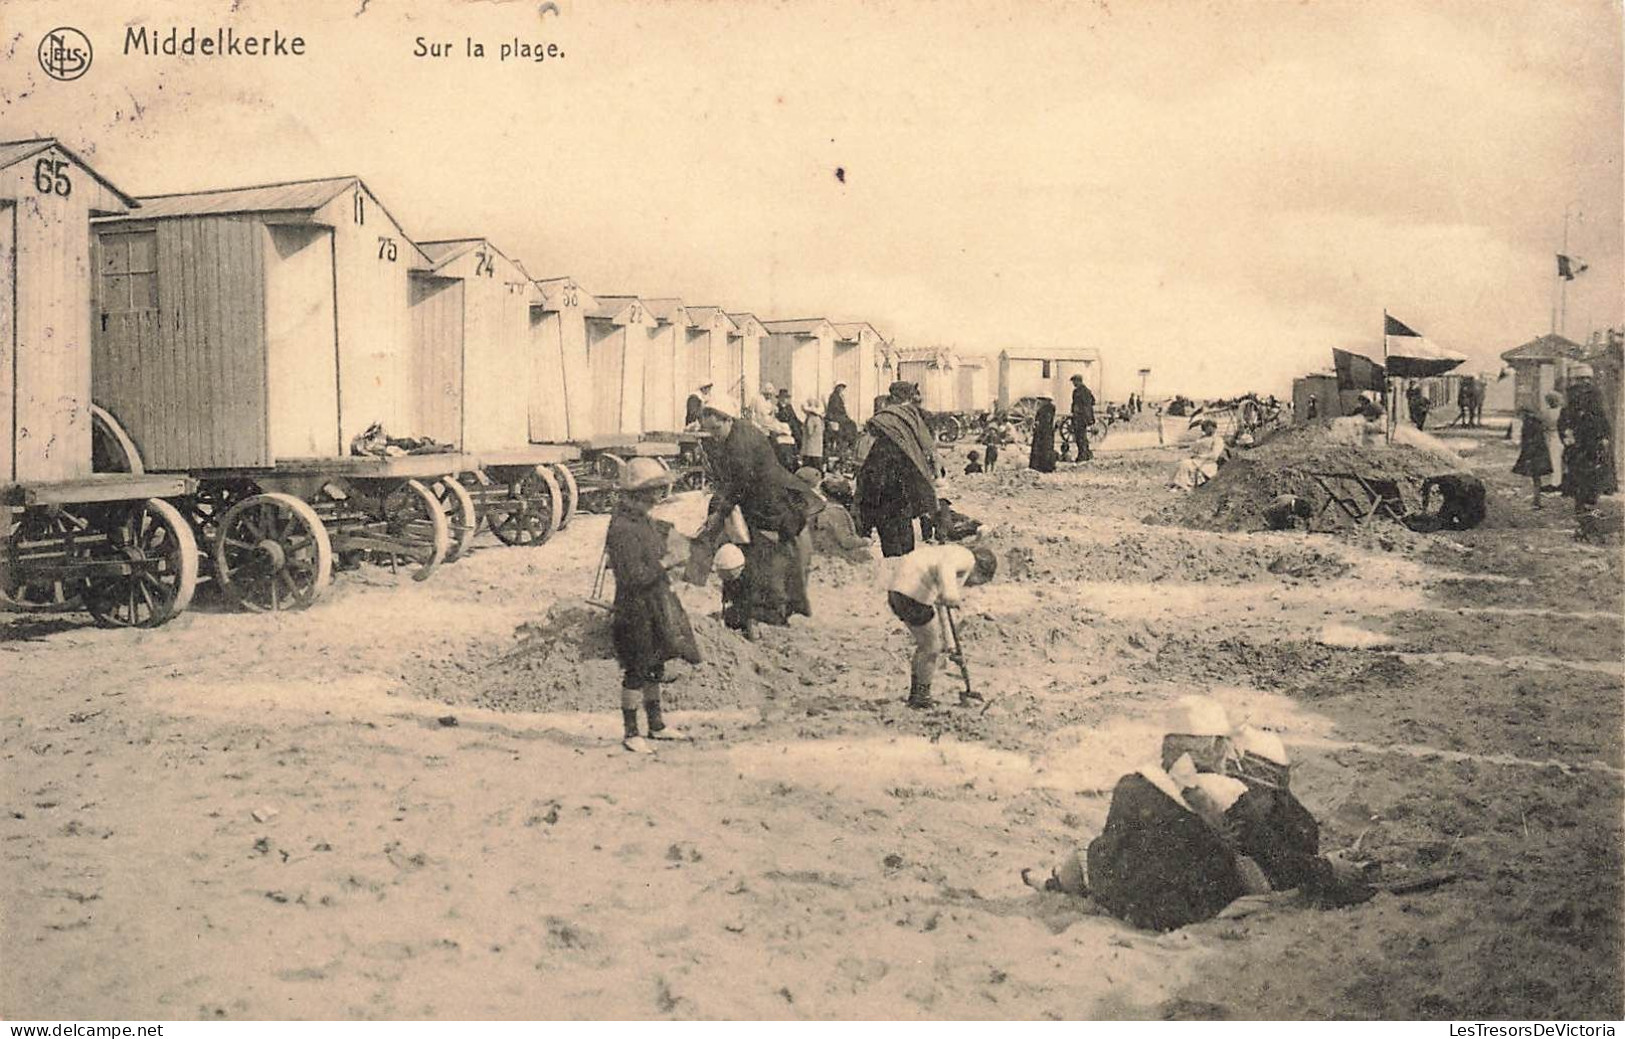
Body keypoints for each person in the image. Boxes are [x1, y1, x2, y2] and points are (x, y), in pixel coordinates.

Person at [698, 395, 823, 634]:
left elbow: (739, 483)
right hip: (765, 502)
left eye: (715, 429)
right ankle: (778, 607)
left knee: (768, 558)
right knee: (773, 556)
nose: (714, 436)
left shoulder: (739, 444)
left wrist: (719, 512)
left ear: (727, 420)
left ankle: (772, 612)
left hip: (771, 506)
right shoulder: (741, 428)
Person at [605, 458, 700, 754]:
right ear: (636, 495)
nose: (657, 497)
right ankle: (631, 732)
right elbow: (633, 577)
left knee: (654, 666)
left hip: (654, 603)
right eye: (652, 492)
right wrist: (667, 562)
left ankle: (656, 725)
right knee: (636, 669)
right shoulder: (622, 529)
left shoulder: (642, 520)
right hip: (634, 608)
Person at [887, 543, 997, 708]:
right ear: (981, 572)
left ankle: (917, 696)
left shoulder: (949, 558)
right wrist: (951, 593)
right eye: (977, 583)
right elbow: (946, 565)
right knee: (930, 647)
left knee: (927, 646)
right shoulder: (966, 557)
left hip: (898, 589)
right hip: (912, 590)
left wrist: (950, 644)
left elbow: (942, 609)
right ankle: (921, 699)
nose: (971, 586)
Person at [856, 381, 943, 557]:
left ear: (893, 397)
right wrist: (933, 471)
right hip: (907, 476)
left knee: (885, 520)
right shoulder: (917, 416)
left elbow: (865, 449)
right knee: (903, 519)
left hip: (881, 473)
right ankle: (906, 558)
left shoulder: (884, 417)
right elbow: (929, 447)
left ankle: (892, 558)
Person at [1558, 365, 1617, 540]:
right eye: (1581, 379)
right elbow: (1564, 420)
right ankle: (1583, 511)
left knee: (1590, 477)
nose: (1584, 383)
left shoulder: (1594, 396)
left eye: (1587, 380)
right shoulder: (1572, 398)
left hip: (1591, 444)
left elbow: (1602, 418)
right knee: (1581, 478)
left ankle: (1586, 510)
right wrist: (1566, 434)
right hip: (1580, 445)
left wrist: (1604, 437)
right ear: (1575, 381)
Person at [1512, 404, 1554, 508]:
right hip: (1539, 452)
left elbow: (1528, 439)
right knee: (1536, 478)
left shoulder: (1529, 423)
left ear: (1524, 414)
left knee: (1534, 477)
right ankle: (1536, 500)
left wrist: (1526, 452)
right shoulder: (1536, 421)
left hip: (1533, 453)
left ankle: (1536, 501)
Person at [1170, 419, 1225, 490]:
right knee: (1182, 462)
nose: (1208, 430)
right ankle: (1179, 484)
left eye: (1210, 428)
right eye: (1206, 428)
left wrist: (1201, 456)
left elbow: (1214, 455)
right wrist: (1193, 453)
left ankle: (1184, 485)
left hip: (1207, 463)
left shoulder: (1218, 439)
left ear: (1215, 428)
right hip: (1197, 460)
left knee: (1185, 463)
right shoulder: (1202, 438)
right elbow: (1194, 449)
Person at [1070, 374, 1096, 462]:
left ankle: (1083, 455)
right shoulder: (1085, 391)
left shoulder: (1082, 391)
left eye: (1074, 381)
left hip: (1081, 417)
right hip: (1079, 417)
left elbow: (1087, 405)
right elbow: (1093, 401)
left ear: (1079, 381)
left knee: (1080, 437)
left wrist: (1085, 415)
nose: (1073, 383)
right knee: (1081, 436)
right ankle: (1087, 454)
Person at [1028, 397, 1057, 473]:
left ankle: (1040, 466)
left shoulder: (1044, 410)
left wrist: (1037, 426)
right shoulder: (1051, 409)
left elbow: (1044, 421)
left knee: (1041, 448)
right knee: (1047, 448)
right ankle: (1046, 465)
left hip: (1043, 431)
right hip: (1048, 432)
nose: (1040, 402)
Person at [826, 383, 853, 459]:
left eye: (842, 388)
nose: (841, 389)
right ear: (837, 388)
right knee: (849, 424)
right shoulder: (834, 396)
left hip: (838, 416)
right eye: (840, 387)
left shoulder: (839, 396)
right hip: (834, 416)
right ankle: (846, 443)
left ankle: (847, 443)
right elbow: (836, 408)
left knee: (851, 424)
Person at [801, 398, 826, 471]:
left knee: (808, 469)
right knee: (817, 469)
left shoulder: (811, 419)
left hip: (810, 449)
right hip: (818, 449)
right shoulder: (819, 419)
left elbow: (810, 431)